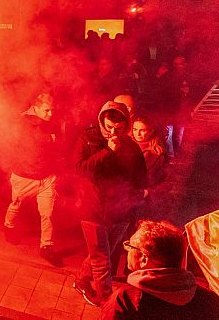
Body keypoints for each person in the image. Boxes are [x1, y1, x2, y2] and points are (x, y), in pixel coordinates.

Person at [73, 101, 148, 306]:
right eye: (109, 126)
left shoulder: (131, 145)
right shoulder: (88, 138)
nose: (113, 131)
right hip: (93, 208)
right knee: (102, 260)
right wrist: (107, 150)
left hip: (120, 209)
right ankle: (106, 301)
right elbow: (80, 169)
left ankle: (80, 281)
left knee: (99, 254)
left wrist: (139, 194)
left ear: (126, 124)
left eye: (119, 128)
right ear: (102, 120)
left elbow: (140, 176)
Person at [101, 220, 219, 319]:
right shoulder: (210, 300)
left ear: (143, 259)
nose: (128, 251)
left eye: (130, 247)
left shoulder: (125, 301)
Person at [3, 93, 63, 267]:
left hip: (47, 178)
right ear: (36, 108)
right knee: (16, 204)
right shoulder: (22, 121)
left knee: (48, 214)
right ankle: (8, 226)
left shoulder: (50, 121)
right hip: (24, 176)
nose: (51, 114)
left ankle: (46, 247)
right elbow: (22, 140)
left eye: (53, 110)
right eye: (47, 110)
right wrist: (49, 138)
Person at [131, 115, 166, 185]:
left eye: (142, 130)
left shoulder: (156, 152)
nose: (137, 134)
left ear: (151, 131)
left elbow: (154, 179)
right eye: (135, 129)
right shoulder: (126, 143)